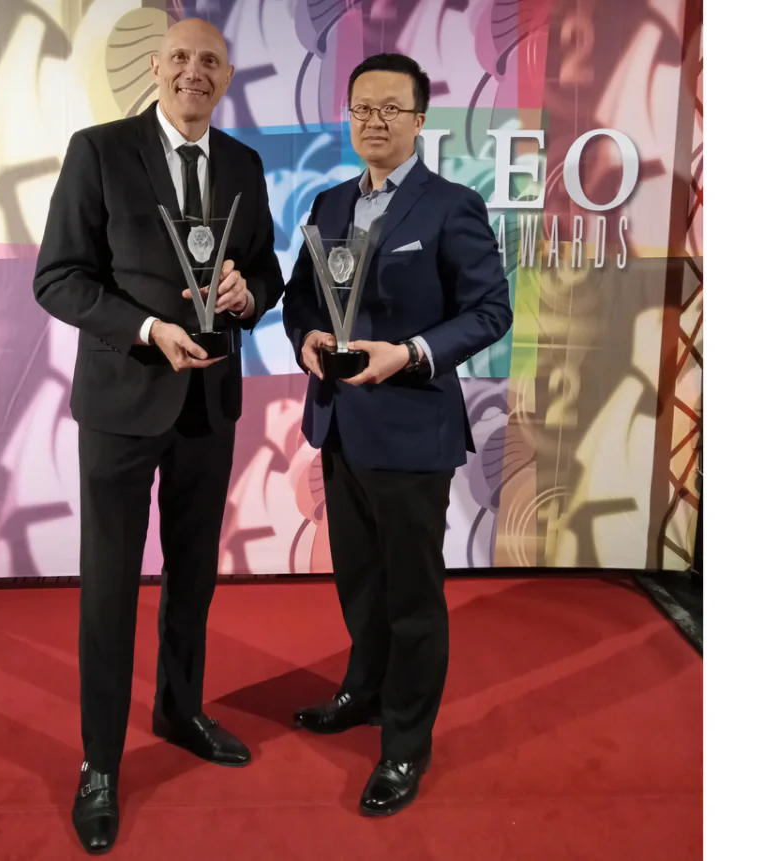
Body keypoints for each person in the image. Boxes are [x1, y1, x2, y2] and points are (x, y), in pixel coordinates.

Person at [32, 18, 283, 854]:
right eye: (178, 57)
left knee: (195, 574)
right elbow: (59, 278)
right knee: (109, 587)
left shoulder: (243, 165)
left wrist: (251, 294)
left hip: (208, 405)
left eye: (209, 60)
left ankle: (181, 707)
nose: (192, 71)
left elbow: (268, 272)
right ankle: (99, 760)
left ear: (227, 74)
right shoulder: (98, 151)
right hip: (121, 402)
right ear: (154, 67)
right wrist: (143, 328)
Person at [283, 53, 513, 817]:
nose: (373, 121)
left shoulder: (451, 206)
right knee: (359, 582)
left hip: (413, 430)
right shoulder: (327, 204)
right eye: (361, 108)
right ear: (347, 116)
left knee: (413, 596)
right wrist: (309, 338)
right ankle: (365, 689)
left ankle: (407, 743)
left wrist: (410, 353)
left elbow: (489, 312)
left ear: (419, 121)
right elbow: (297, 302)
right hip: (340, 426)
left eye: (390, 109)